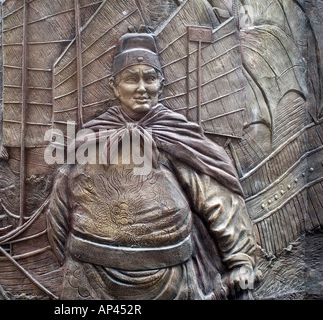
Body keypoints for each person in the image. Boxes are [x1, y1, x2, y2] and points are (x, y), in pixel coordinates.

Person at [46, 32, 257, 299]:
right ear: (114, 86)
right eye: (131, 79)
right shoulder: (91, 137)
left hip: (169, 281)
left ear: (161, 83)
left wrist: (239, 262)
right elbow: (59, 208)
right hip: (88, 278)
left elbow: (216, 198)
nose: (142, 87)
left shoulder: (178, 138)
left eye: (150, 78)